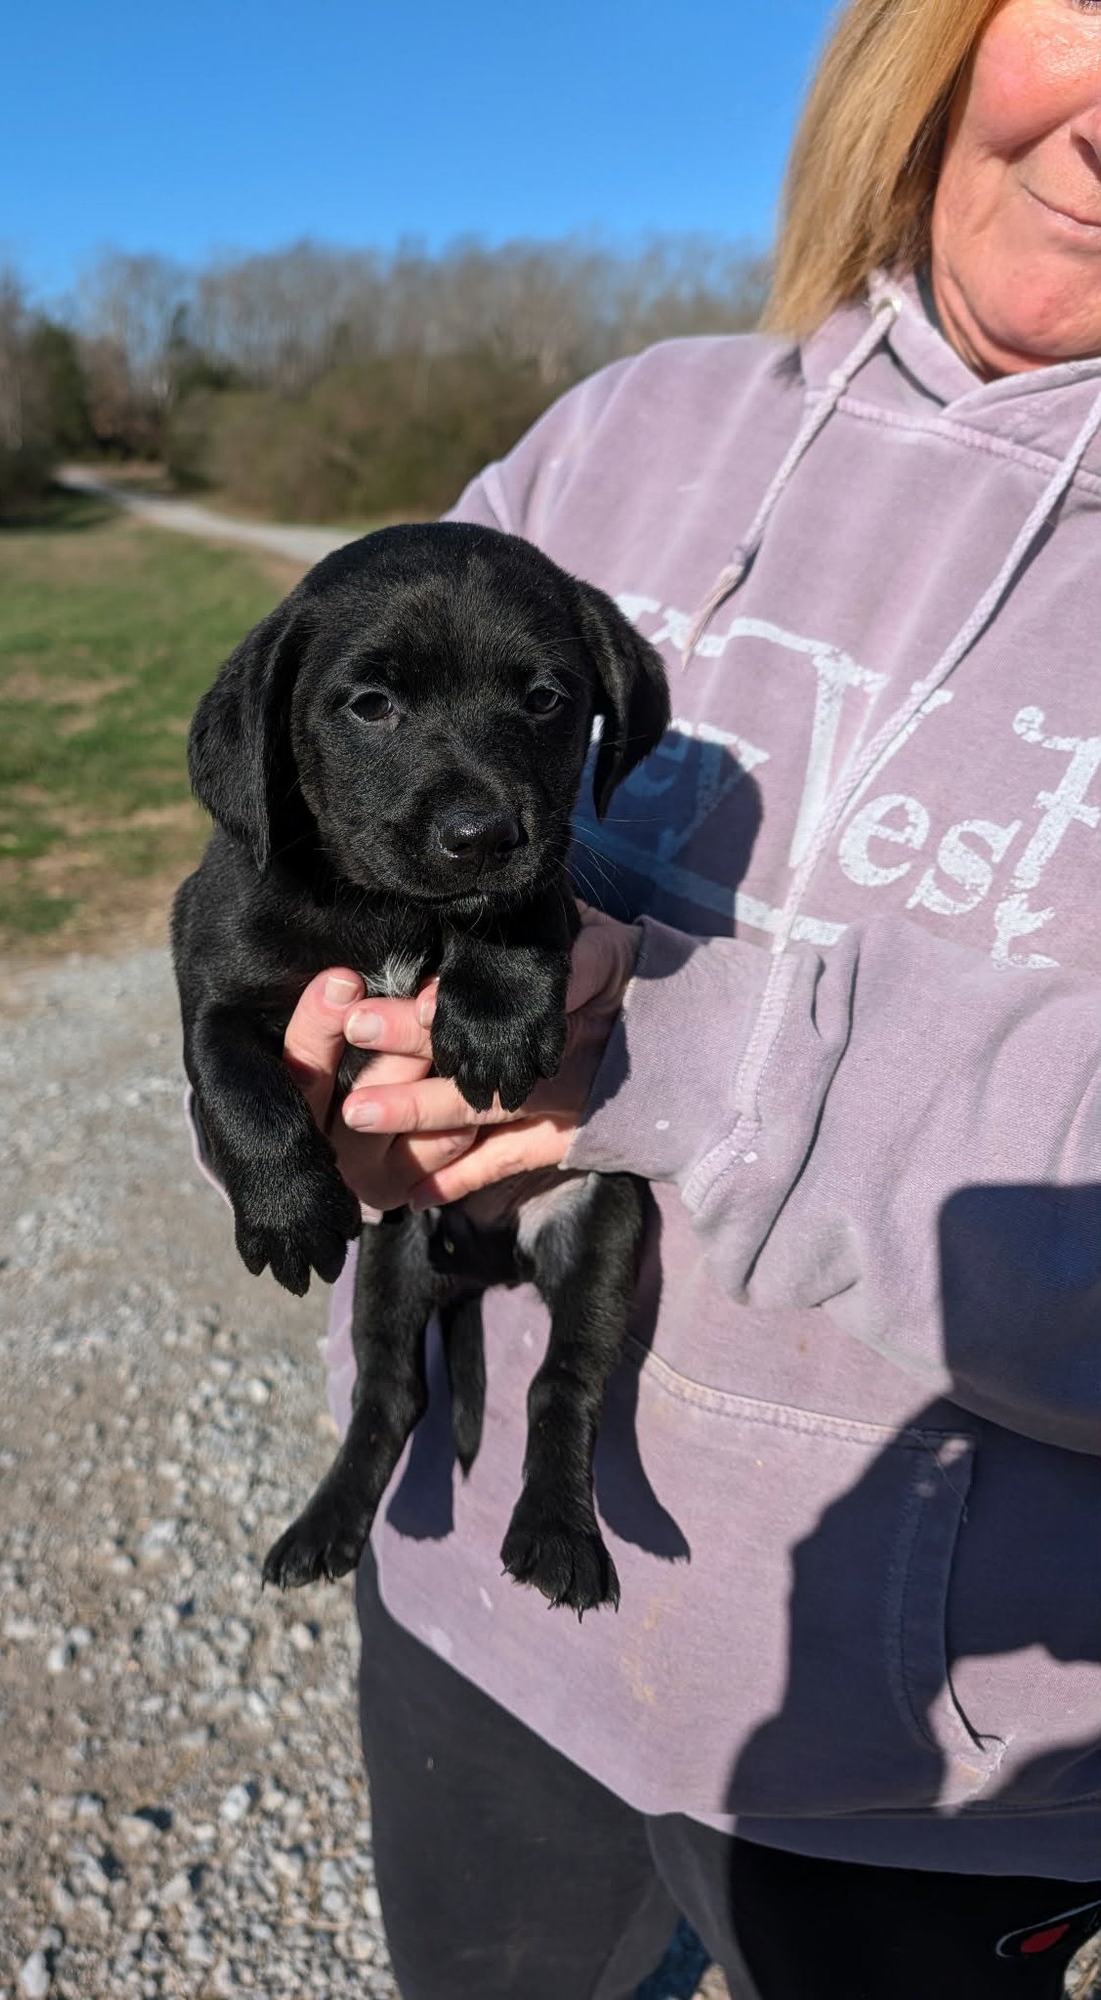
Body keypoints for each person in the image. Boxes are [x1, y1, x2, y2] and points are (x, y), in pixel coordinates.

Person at [274, 1, 1101, 1994]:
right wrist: (341, 1077)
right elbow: (323, 801)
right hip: (480, 1611)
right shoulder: (635, 429)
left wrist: (662, 1041)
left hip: (940, 1767)